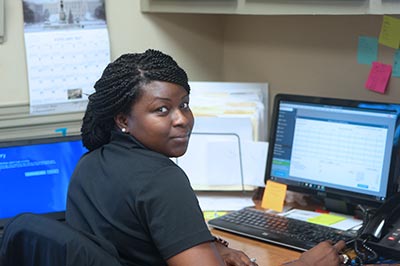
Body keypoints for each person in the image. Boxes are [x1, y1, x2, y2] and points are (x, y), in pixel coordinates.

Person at [66, 49, 348, 266]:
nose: (183, 120)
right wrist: (302, 263)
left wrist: (209, 247)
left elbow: (131, 241)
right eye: (162, 110)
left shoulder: (89, 163)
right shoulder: (162, 179)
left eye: (184, 105)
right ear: (123, 120)